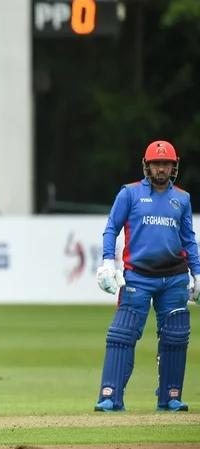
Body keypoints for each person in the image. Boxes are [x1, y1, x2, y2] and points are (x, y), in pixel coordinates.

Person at [94, 140, 198, 413]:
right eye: (156, 163)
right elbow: (111, 229)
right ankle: (110, 396)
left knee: (175, 337)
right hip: (137, 277)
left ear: (174, 166)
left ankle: (170, 397)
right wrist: (107, 262)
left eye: (166, 164)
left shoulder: (182, 199)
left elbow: (189, 240)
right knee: (121, 334)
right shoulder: (129, 194)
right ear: (147, 165)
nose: (161, 168)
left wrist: (197, 274)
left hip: (174, 277)